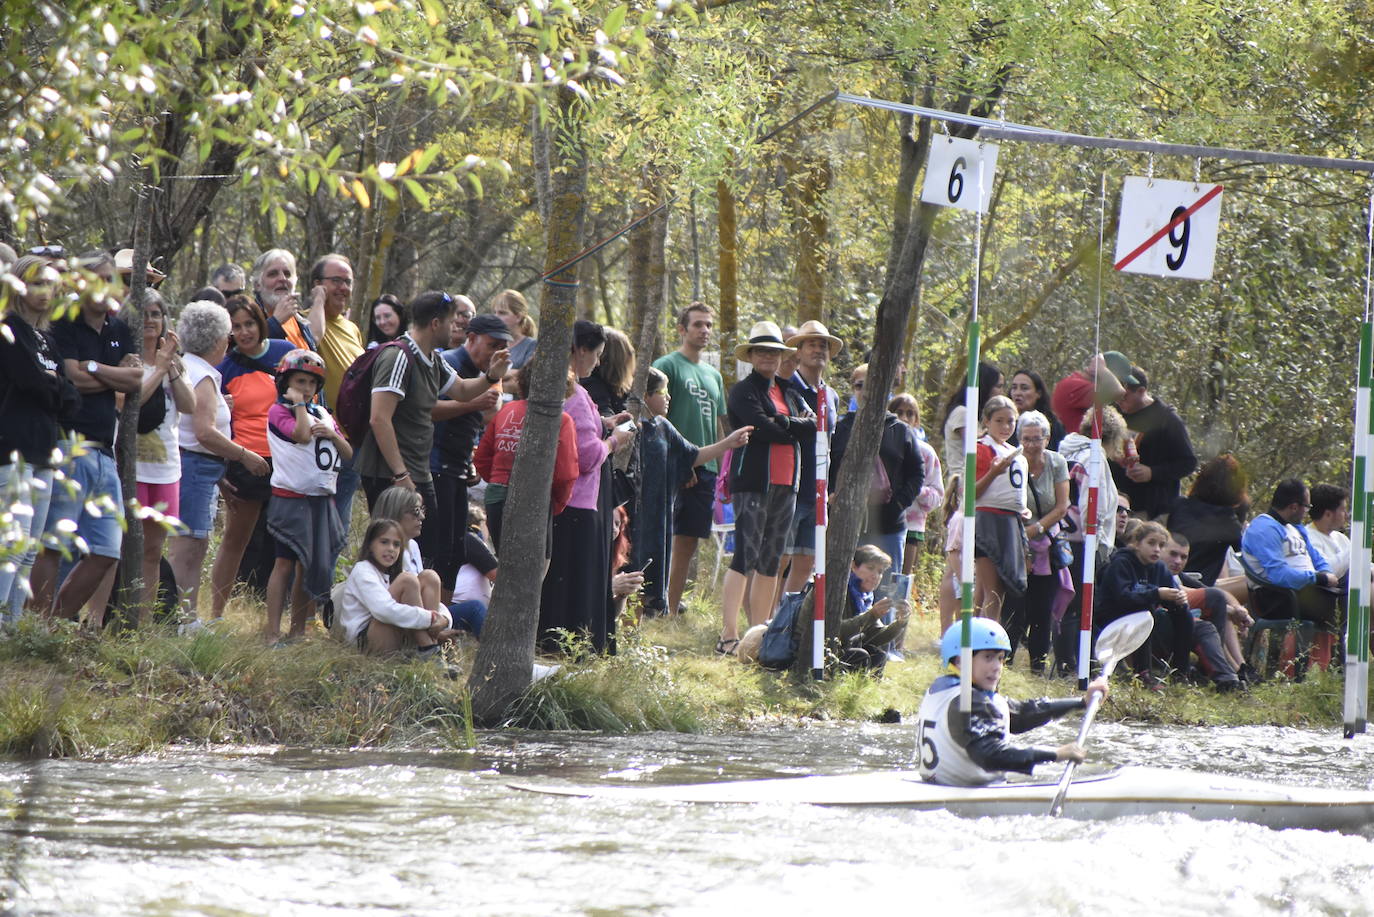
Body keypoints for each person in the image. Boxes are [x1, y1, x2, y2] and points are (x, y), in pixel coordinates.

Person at [355, 291, 510, 562]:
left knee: (428, 551)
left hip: (417, 470)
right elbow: (379, 418)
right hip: (391, 473)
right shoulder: (399, 357)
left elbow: (461, 389)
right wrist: (401, 474)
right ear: (436, 323)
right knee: (390, 551)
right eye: (453, 322)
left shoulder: (432, 358)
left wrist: (491, 376)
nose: (457, 329)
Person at [31, 250, 142, 625]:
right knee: (54, 544)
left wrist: (92, 367)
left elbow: (134, 380)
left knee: (107, 550)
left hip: (105, 453)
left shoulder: (120, 329)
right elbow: (73, 378)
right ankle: (36, 628)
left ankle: (56, 623)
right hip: (69, 445)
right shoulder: (63, 325)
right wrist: (107, 373)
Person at [716, 321, 816, 656]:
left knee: (772, 560)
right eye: (761, 351)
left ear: (782, 355)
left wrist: (784, 424)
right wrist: (790, 428)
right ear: (752, 355)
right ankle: (729, 635)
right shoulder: (743, 390)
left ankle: (756, 638)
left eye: (773, 351)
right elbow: (758, 426)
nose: (768, 357)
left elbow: (813, 425)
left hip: (788, 484)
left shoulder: (790, 392)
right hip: (752, 484)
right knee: (746, 554)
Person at [539, 321, 635, 653]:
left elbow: (576, 433)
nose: (597, 363)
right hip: (578, 504)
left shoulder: (558, 387)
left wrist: (606, 423)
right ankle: (574, 649)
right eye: (595, 355)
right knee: (576, 584)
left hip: (561, 503)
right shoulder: (577, 395)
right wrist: (614, 442)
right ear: (580, 350)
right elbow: (587, 454)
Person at [917, 619, 1107, 787]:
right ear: (960, 661)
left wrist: (1082, 702)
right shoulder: (967, 701)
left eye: (1000, 658)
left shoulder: (944, 689)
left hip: (939, 785)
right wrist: (1055, 754)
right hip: (966, 794)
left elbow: (1020, 714)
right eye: (988, 657)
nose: (996, 667)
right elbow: (990, 756)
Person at [633, 367, 753, 614]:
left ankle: (643, 630)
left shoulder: (663, 427)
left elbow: (693, 455)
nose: (668, 398)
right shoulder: (631, 428)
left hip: (659, 518)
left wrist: (729, 443)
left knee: (653, 575)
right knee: (632, 572)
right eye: (662, 392)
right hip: (634, 516)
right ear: (645, 395)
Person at [166, 301, 261, 616]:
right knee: (188, 547)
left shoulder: (191, 368)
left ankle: (187, 616)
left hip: (201, 468)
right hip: (193, 467)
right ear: (220, 339)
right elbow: (204, 433)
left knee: (196, 544)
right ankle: (180, 617)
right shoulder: (202, 375)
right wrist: (244, 455)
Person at [0, 256, 80, 624]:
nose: (44, 292)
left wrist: (55, 387)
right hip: (13, 451)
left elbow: (70, 399)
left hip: (46, 453)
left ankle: (12, 627)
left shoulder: (47, 340)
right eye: (35, 283)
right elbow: (34, 384)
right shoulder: (8, 331)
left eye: (49, 284)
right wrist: (55, 387)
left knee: (30, 548)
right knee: (10, 546)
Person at [209, 296, 295, 619]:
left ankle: (283, 617)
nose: (244, 332)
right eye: (236, 327)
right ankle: (216, 613)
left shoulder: (284, 352)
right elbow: (209, 421)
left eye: (249, 323)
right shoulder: (224, 366)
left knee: (289, 543)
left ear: (261, 321)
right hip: (246, 462)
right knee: (236, 540)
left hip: (287, 459)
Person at [263, 349, 350, 641]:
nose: (306, 388)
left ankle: (298, 629)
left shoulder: (323, 414)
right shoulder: (278, 411)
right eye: (300, 381)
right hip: (290, 498)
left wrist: (333, 434)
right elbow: (300, 435)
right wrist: (300, 406)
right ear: (285, 381)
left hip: (320, 499)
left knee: (308, 564)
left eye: (312, 384)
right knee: (284, 562)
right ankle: (272, 631)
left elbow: (347, 453)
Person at [652, 302, 727, 617]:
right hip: (672, 463)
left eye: (709, 325)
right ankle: (649, 601)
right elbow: (654, 414)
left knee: (689, 540)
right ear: (682, 329)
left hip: (707, 466)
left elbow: (721, 424)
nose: (704, 330)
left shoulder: (714, 374)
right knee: (659, 536)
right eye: (698, 324)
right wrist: (679, 462)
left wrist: (724, 471)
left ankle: (670, 606)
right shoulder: (667, 365)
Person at [432, 312, 510, 594]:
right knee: (438, 546)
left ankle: (445, 617)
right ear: (472, 338)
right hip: (435, 466)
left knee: (454, 547)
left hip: (458, 468)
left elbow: (486, 416)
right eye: (492, 345)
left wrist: (471, 461)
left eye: (503, 347)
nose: (497, 353)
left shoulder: (487, 373)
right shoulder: (449, 363)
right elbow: (428, 411)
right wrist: (473, 403)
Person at [473, 361, 581, 554]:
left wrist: (500, 481)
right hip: (535, 499)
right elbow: (565, 473)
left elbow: (481, 457)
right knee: (534, 572)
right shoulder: (561, 420)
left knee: (504, 563)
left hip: (496, 497)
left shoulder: (507, 410)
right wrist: (555, 504)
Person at [1053, 405, 1127, 676]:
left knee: (1065, 600)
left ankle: (1069, 659)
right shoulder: (1093, 458)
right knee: (1076, 604)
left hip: (1059, 535)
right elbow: (1091, 504)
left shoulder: (1065, 451)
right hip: (1080, 539)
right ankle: (1069, 663)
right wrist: (1092, 540)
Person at [134, 289, 196, 615]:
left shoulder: (175, 363)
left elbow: (189, 406)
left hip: (166, 468)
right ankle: (111, 620)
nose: (149, 320)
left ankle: (142, 623)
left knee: (152, 549)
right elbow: (130, 402)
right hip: (132, 465)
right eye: (143, 313)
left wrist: (169, 366)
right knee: (124, 546)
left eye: (155, 314)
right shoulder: (127, 359)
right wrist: (156, 368)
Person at [830, 363, 923, 571]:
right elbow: (828, 468)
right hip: (846, 523)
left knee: (886, 589)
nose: (866, 391)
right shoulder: (840, 428)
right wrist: (832, 495)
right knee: (846, 586)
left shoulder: (900, 430)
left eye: (873, 384)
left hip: (889, 526)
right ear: (853, 389)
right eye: (860, 385)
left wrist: (898, 504)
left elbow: (917, 473)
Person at [780, 320, 844, 594]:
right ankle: (763, 625)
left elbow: (831, 442)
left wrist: (831, 487)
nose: (818, 350)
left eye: (823, 345)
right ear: (799, 350)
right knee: (779, 557)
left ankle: (785, 620)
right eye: (812, 344)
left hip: (817, 491)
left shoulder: (831, 395)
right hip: (790, 485)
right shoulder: (786, 386)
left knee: (806, 560)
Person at [1004, 410, 1070, 675]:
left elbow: (1063, 506)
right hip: (1014, 541)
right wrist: (1023, 540)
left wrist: (1038, 529)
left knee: (1042, 610)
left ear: (1047, 437)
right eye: (1026, 439)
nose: (1031, 445)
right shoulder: (1012, 462)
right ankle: (1004, 664)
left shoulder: (1056, 463)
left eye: (1036, 438)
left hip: (1048, 543)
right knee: (1014, 607)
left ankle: (1038, 667)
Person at [305, 253, 365, 538]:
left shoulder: (351, 327)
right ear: (318, 284)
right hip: (321, 441)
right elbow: (312, 338)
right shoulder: (305, 320)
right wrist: (317, 301)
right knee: (317, 530)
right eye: (336, 281)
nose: (343, 287)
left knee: (338, 532)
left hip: (351, 442)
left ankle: (323, 584)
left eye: (348, 282)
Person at [339, 518, 452, 659]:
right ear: (370, 545)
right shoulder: (363, 570)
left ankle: (431, 650)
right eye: (384, 542)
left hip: (397, 635)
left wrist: (443, 620)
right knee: (408, 580)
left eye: (396, 544)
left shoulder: (396, 572)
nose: (391, 549)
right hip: (368, 641)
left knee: (430, 577)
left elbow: (435, 605)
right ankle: (430, 651)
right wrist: (430, 618)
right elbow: (384, 610)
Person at [1240, 478, 1341, 633]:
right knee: (1350, 601)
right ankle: (1338, 655)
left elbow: (1316, 557)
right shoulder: (1264, 528)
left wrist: (1326, 573)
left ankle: (1332, 654)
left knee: (1355, 588)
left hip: (1304, 592)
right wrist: (1319, 578)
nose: (1307, 511)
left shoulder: (1295, 528)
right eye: (1307, 507)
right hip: (1279, 598)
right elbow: (1279, 575)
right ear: (1294, 507)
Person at [1097, 520, 1193, 683]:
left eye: (1161, 545)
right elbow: (1124, 597)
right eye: (1151, 543)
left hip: (1145, 615)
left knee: (1184, 615)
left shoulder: (1159, 568)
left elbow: (1169, 593)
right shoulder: (1121, 563)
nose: (1156, 549)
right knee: (1144, 612)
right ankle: (1143, 673)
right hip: (1112, 618)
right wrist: (1156, 593)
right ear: (1136, 544)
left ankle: (1180, 673)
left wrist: (1179, 599)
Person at [1105, 355, 1196, 520]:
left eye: (1124, 396)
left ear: (1141, 391)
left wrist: (1153, 472)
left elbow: (1188, 462)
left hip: (1151, 508)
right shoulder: (1113, 412)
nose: (1120, 401)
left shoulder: (1167, 420)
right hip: (1114, 502)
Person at [1164, 532, 1248, 689]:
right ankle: (1227, 674)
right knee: (1207, 620)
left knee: (1216, 601)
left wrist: (1237, 609)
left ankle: (1230, 672)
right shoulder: (1156, 569)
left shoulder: (1178, 575)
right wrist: (1230, 610)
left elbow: (1212, 592)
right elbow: (1179, 591)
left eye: (1183, 557)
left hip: (1179, 618)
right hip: (1159, 622)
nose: (1178, 561)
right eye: (1173, 554)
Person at [971, 395, 1027, 624]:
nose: (1005, 427)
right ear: (987, 421)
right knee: (992, 590)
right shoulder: (982, 449)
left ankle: (975, 637)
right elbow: (971, 493)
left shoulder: (1015, 453)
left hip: (1010, 522)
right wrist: (993, 472)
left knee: (989, 590)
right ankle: (984, 641)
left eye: (1010, 422)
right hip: (988, 521)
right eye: (999, 421)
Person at [1167, 454, 1250, 585]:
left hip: (1169, 579)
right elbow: (1249, 558)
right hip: (1200, 588)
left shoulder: (1178, 506)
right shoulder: (1231, 525)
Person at [370, 486, 445, 617]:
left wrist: (444, 619)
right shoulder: (379, 550)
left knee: (430, 577)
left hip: (414, 614)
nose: (422, 517)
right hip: (388, 616)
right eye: (416, 511)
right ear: (395, 513)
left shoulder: (413, 545)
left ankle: (431, 633)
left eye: (422, 509)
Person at [891, 394, 944, 578]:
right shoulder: (879, 446)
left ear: (917, 420)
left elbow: (937, 496)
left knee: (901, 579)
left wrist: (915, 490)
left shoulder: (926, 452)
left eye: (910, 414)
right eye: (899, 412)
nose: (904, 418)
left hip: (911, 527)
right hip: (880, 522)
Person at [837, 545, 910, 673]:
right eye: (870, 568)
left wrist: (900, 622)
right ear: (853, 566)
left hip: (843, 649)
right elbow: (835, 631)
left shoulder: (864, 596)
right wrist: (872, 615)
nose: (875, 575)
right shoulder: (839, 589)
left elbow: (877, 637)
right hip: (818, 653)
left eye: (880, 572)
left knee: (878, 655)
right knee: (860, 656)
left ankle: (865, 690)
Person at [941, 361, 1002, 481]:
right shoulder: (963, 413)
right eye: (998, 386)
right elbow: (973, 448)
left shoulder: (976, 415)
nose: (1001, 392)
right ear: (986, 386)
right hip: (963, 482)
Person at [251, 248, 317, 352]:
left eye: (287, 274)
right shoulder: (248, 316)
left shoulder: (300, 320)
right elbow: (245, 352)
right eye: (273, 274)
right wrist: (275, 323)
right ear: (257, 285)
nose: (282, 279)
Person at [448, 506, 498, 638]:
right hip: (460, 610)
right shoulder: (470, 538)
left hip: (456, 611)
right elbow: (499, 576)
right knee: (476, 608)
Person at [1050, 352, 1125, 439]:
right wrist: (1101, 368)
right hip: (1076, 448)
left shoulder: (1082, 385)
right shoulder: (1073, 385)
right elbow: (1117, 391)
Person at [1007, 369, 1065, 451]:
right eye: (1014, 388)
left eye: (1024, 388)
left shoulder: (1053, 425)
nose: (1017, 393)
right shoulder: (1006, 424)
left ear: (1038, 393)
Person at [1306, 484, 1351, 583]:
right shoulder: (1308, 538)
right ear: (1328, 514)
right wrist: (1354, 551)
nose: (1346, 515)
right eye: (1343, 510)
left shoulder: (1341, 538)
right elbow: (1327, 571)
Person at [488, 288, 538, 369]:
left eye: (502, 313)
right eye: (494, 312)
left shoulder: (531, 346)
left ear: (518, 317)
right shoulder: (489, 343)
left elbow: (524, 376)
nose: (496, 317)